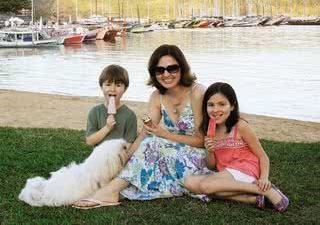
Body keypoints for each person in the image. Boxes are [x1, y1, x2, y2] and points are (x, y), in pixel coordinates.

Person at [73, 44, 211, 209]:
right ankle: (116, 187)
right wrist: (125, 157)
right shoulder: (157, 96)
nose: (166, 74)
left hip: (198, 158)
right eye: (159, 70)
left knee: (155, 141)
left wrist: (164, 135)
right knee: (150, 142)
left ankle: (110, 191)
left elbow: (202, 141)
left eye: (172, 68)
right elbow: (146, 131)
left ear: (182, 68)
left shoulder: (197, 92)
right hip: (169, 153)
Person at [183, 82, 289, 212]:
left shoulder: (240, 126)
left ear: (232, 106)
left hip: (245, 169)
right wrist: (210, 151)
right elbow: (212, 166)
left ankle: (267, 191)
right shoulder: (209, 131)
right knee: (189, 182)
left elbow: (263, 156)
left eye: (222, 104)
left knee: (205, 186)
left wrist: (264, 178)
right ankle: (254, 199)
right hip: (226, 173)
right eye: (211, 105)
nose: (215, 110)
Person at [85, 64, 137, 146]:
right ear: (101, 87)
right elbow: (90, 141)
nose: (112, 89)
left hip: (119, 156)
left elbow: (129, 144)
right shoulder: (95, 112)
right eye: (108, 85)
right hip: (99, 156)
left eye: (118, 85)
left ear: (125, 89)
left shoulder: (130, 115)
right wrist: (107, 128)